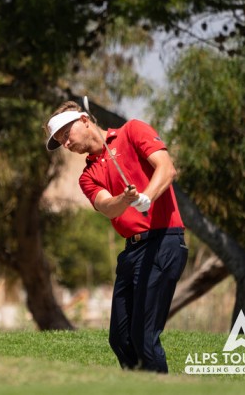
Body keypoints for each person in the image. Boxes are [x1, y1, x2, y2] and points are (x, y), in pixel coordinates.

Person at [45, 100, 188, 373]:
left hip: (163, 241)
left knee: (144, 338)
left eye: (66, 134)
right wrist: (125, 199)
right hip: (132, 251)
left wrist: (148, 196)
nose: (65, 143)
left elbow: (167, 169)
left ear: (84, 120)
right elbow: (106, 206)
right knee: (120, 339)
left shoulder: (133, 131)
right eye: (60, 141)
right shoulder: (87, 176)